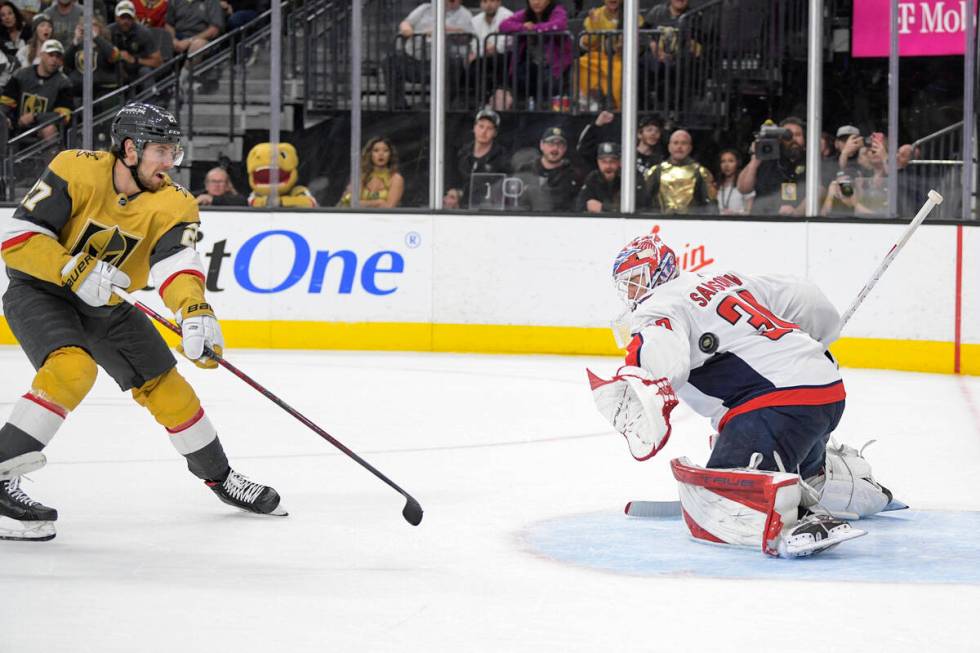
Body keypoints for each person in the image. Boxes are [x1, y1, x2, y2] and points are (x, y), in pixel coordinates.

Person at [0, 102, 286, 542]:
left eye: (174, 151)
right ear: (130, 149)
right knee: (72, 370)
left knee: (169, 388)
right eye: (162, 151)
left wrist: (194, 311)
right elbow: (18, 240)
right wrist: (70, 268)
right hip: (40, 291)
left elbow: (177, 265)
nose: (170, 162)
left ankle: (222, 478)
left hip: (106, 304)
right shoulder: (74, 168)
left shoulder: (176, 202)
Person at [589, 230, 901, 557]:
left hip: (780, 408)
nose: (632, 291)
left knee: (722, 494)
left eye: (636, 279)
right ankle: (823, 479)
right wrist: (819, 341)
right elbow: (807, 298)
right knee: (783, 438)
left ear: (660, 268)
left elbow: (662, 352)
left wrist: (639, 378)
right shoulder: (726, 279)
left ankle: (793, 517)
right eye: (626, 285)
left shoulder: (658, 307)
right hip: (827, 393)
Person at [384, 0, 475, 111]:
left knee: (455, 62)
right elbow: (406, 23)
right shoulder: (425, 8)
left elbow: (468, 37)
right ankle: (397, 106)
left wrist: (443, 30)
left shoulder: (465, 14)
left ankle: (446, 107)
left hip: (442, 62)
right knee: (390, 61)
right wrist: (407, 28)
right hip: (414, 58)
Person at [495, 0, 572, 111]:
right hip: (529, 62)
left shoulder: (558, 11)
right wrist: (524, 28)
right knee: (520, 76)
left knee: (547, 84)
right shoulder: (525, 14)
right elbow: (504, 25)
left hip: (553, 64)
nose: (536, 2)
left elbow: (559, 25)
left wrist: (534, 28)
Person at [0, 38, 73, 141]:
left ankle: (50, 157)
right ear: (42, 55)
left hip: (42, 128)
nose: (54, 60)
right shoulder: (21, 75)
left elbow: (64, 116)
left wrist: (35, 116)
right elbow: (6, 102)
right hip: (17, 125)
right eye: (51, 55)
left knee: (49, 129)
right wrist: (6, 119)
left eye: (58, 56)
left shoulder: (64, 83)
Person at [576, 0, 641, 111]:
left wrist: (623, 45)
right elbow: (588, 44)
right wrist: (594, 26)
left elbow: (640, 44)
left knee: (620, 69)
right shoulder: (595, 14)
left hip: (621, 58)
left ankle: (616, 107)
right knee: (580, 63)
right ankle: (588, 103)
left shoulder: (633, 15)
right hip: (599, 56)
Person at [736, 116, 806, 216]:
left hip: (796, 224)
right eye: (788, 135)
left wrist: (797, 213)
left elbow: (819, 192)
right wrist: (755, 158)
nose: (793, 139)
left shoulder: (811, 163)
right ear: (780, 139)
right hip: (762, 220)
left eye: (798, 135)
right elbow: (743, 188)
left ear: (804, 139)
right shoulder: (767, 158)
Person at [444, 107, 509, 209]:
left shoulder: (502, 156)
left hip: (489, 209)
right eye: (481, 126)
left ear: (495, 133)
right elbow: (452, 180)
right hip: (460, 210)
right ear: (474, 128)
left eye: (489, 128)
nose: (484, 132)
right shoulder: (461, 153)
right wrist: (453, 192)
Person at [642, 128, 715, 213]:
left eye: (684, 143)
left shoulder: (701, 172)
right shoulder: (657, 171)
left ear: (690, 148)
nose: (679, 147)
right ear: (669, 147)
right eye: (675, 143)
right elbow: (646, 201)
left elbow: (711, 204)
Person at [511, 125, 580, 212]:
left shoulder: (573, 175)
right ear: (541, 145)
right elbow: (511, 201)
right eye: (551, 143)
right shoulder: (526, 170)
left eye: (559, 144)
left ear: (565, 148)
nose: (555, 148)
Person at [337, 136, 405, 209]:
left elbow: (389, 207)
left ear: (390, 154)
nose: (381, 154)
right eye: (376, 150)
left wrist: (363, 204)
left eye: (385, 150)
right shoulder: (362, 176)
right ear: (370, 154)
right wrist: (378, 202)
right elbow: (348, 202)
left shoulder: (396, 179)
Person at [64, 16, 122, 97]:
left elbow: (115, 56)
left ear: (100, 28)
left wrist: (96, 37)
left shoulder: (105, 45)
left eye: (93, 25)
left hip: (102, 92)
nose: (89, 28)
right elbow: (66, 63)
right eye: (85, 25)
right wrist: (75, 41)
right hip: (79, 91)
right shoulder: (77, 47)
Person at [109, 0, 163, 85]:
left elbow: (158, 62)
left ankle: (150, 97)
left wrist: (134, 60)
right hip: (116, 67)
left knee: (145, 71)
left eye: (129, 18)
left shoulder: (144, 33)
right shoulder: (108, 31)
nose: (125, 21)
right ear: (116, 17)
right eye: (122, 17)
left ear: (134, 18)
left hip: (138, 68)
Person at [575, 141, 620, 213]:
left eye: (612, 161)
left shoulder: (627, 179)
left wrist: (603, 207)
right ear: (598, 162)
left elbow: (639, 207)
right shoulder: (593, 178)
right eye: (604, 162)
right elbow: (579, 206)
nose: (608, 166)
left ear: (619, 162)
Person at [716, 148, 753, 215]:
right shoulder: (717, 186)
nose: (726, 165)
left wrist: (735, 214)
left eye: (731, 161)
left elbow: (750, 211)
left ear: (738, 163)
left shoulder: (744, 185)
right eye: (723, 161)